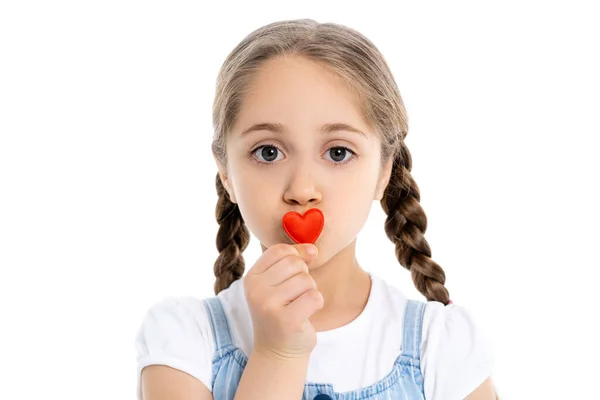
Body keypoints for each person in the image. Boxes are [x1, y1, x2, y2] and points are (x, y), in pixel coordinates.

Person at [135, 19, 496, 400]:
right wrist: (277, 353)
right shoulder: (182, 340)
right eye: (268, 152)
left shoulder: (443, 347)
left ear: (383, 171)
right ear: (226, 172)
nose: (302, 190)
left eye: (338, 152)